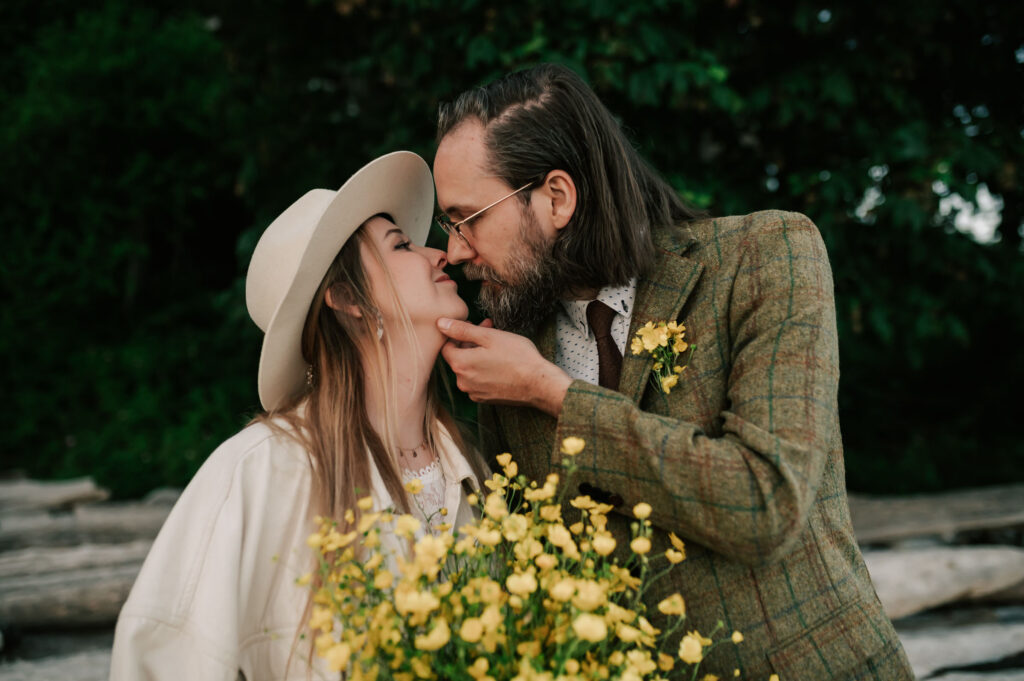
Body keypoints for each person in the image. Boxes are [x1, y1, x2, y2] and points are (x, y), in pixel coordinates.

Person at [432, 64, 914, 680]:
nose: (455, 251)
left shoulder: (766, 255)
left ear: (557, 197)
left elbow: (764, 502)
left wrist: (554, 394)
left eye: (469, 218)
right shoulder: (508, 361)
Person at [110, 152, 487, 680]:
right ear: (348, 298)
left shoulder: (477, 464)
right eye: (401, 245)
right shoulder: (259, 471)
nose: (439, 254)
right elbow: (163, 655)